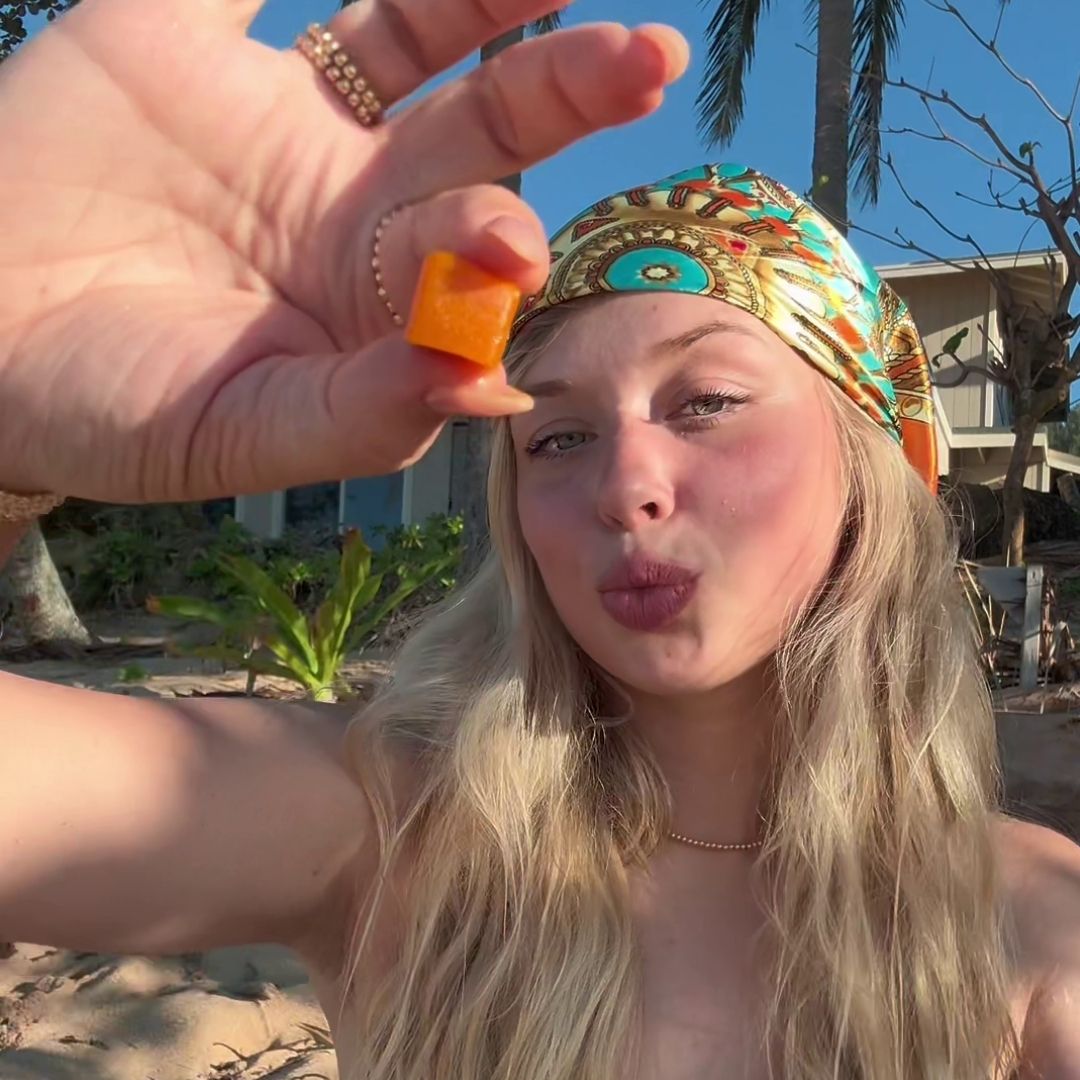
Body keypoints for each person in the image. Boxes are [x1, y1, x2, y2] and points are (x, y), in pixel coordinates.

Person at [0, 1, 1078, 1078]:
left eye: (704, 402)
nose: (624, 485)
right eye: (558, 435)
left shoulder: (1023, 921)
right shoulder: (393, 826)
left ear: (869, 465)